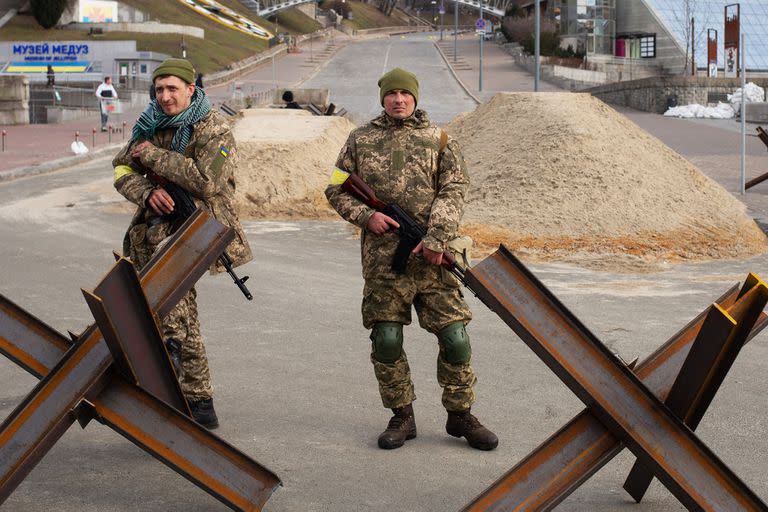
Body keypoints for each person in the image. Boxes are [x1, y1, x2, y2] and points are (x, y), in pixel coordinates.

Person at [324, 68, 498, 451]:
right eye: (391, 94)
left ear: (415, 98)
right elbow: (335, 188)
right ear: (382, 97)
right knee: (386, 339)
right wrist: (366, 216)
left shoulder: (439, 140)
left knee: (455, 338)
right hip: (384, 263)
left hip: (435, 258)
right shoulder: (359, 139)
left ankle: (460, 414)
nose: (398, 100)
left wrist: (436, 237)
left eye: (405, 93)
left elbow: (455, 190)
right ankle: (402, 415)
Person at [111, 58, 252, 429]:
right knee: (177, 312)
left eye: (173, 88)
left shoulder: (215, 130)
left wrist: (153, 156)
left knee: (171, 312)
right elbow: (121, 168)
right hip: (154, 233)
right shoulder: (148, 124)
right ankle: (198, 402)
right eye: (159, 89)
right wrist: (146, 193)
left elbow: (206, 181)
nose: (165, 96)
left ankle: (177, 398)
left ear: (192, 89)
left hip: (198, 231)